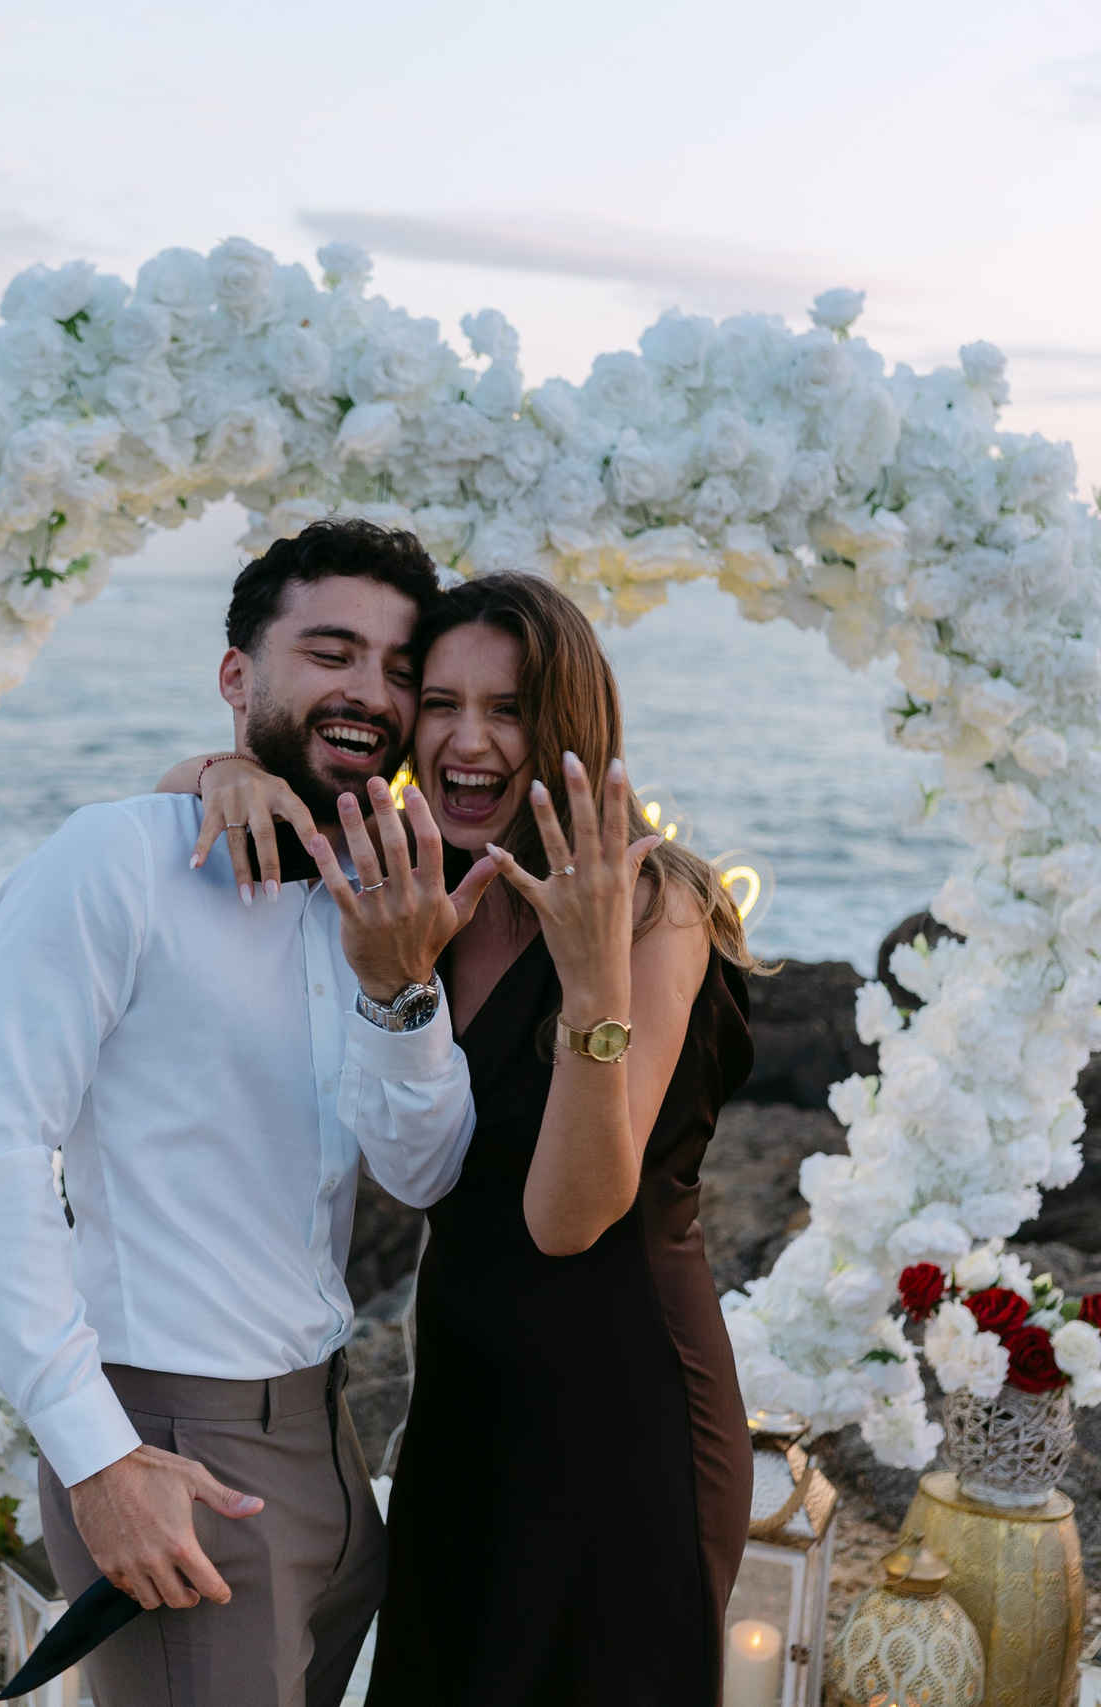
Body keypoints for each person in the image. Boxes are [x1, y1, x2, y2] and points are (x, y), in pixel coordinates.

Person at [0, 519, 498, 1707]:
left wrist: (398, 984)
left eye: (399, 669)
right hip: (173, 1446)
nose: (371, 693)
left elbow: (426, 1166)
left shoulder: (374, 892)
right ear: (238, 676)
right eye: (330, 652)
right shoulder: (114, 862)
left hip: (331, 1439)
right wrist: (98, 1460)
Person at [170, 572, 757, 1704]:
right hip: (460, 1410)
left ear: (571, 724)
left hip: (623, 1421)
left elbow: (568, 1215)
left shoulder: (651, 906)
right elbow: (193, 811)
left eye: (510, 708)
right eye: (440, 703)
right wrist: (227, 768)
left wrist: (588, 985)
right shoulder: (411, 883)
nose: (468, 741)